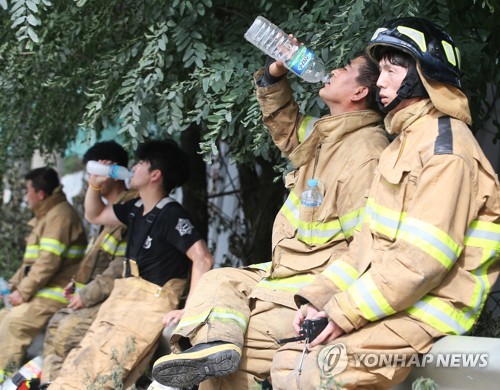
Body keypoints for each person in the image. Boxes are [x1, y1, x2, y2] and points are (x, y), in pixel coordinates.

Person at [270, 17, 500, 389]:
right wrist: (319, 300)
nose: (379, 82)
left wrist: (342, 313)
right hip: (390, 306)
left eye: (391, 71)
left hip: (425, 312)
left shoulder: (447, 150)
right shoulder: (402, 145)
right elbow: (364, 248)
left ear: (423, 75)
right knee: (286, 361)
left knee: (319, 371)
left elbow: (420, 263)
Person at [151, 48, 389, 388]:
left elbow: (366, 249)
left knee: (245, 350)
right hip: (282, 272)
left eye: (346, 68)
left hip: (312, 283)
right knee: (217, 281)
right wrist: (274, 74)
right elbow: (287, 128)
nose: (333, 70)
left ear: (359, 92)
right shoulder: (328, 135)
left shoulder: (366, 153)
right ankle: (212, 348)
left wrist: (329, 304)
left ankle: (214, 360)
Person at [48, 139, 215, 389]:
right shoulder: (135, 207)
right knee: (82, 362)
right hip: (122, 300)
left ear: (155, 175)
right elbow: (94, 215)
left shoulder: (171, 213)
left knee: (105, 373)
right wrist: (95, 184)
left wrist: (188, 310)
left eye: (140, 164)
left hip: (149, 305)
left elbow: (203, 258)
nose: (133, 167)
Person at [41, 141, 136, 384]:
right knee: (56, 324)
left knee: (67, 333)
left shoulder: (131, 207)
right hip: (96, 295)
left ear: (111, 171)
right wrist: (77, 287)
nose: (89, 180)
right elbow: (96, 254)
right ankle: (49, 384)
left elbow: (121, 266)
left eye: (94, 173)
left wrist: (87, 295)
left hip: (113, 299)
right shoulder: (111, 213)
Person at [0, 167, 87, 384]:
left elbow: (47, 262)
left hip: (56, 293)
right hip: (41, 291)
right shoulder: (47, 215)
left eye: (28, 190)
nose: (26, 195)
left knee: (14, 322)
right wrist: (13, 285)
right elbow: (31, 264)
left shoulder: (60, 216)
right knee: (3, 317)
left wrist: (23, 292)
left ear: (40, 194)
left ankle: (3, 379)